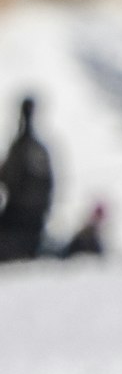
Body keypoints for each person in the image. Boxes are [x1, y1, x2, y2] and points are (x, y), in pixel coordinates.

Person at [0, 95, 51, 261]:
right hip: (33, 220)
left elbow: (8, 177)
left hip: (19, 218)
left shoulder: (23, 148)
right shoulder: (37, 149)